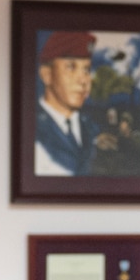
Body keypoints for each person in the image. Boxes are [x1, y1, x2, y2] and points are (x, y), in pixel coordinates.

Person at [34, 30, 99, 176]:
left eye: (86, 69)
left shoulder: (91, 127)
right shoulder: (32, 128)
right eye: (71, 67)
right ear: (47, 75)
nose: (83, 80)